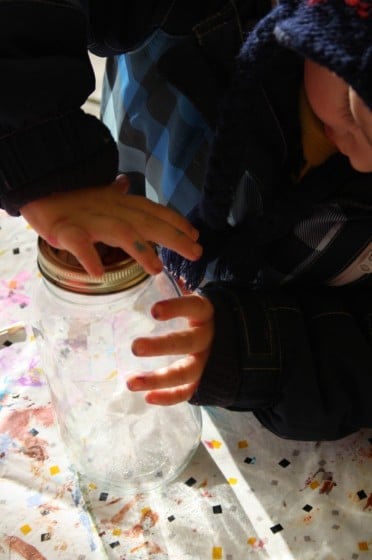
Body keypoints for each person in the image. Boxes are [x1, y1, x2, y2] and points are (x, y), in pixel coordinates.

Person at [1, 0, 371, 441]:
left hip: (238, 336)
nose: (364, 161)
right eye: (353, 113)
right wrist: (39, 155)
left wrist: (253, 349)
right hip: (124, 177)